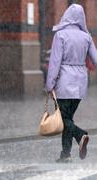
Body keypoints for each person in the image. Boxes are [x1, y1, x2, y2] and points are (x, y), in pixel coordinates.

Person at [46, 4, 97, 163]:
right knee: (68, 117)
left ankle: (80, 134)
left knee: (63, 118)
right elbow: (95, 60)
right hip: (81, 82)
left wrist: (50, 84)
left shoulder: (60, 35)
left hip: (64, 82)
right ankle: (65, 154)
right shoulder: (86, 37)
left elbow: (55, 62)